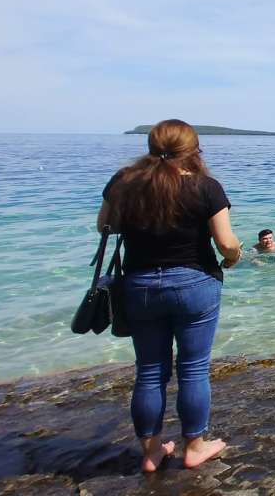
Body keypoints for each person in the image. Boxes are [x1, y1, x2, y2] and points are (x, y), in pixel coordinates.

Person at [96, 119, 240, 472]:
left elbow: (104, 226)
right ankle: (195, 447)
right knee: (192, 369)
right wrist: (232, 258)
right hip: (195, 284)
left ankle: (151, 452)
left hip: (140, 285)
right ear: (193, 151)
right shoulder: (207, 188)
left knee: (149, 370)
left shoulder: (123, 183)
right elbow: (226, 242)